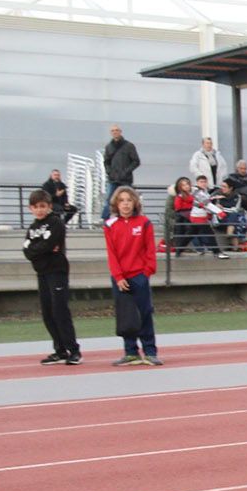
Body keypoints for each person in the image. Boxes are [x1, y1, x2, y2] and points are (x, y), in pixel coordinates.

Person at [22, 189, 81, 365]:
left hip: (57, 272)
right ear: (30, 208)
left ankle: (74, 350)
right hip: (42, 273)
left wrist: (39, 249)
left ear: (48, 206)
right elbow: (27, 250)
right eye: (35, 207)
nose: (39, 210)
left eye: (42, 206)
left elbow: (49, 245)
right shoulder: (32, 228)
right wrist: (40, 249)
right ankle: (60, 350)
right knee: (47, 313)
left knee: (60, 311)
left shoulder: (56, 223)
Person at [104, 187, 161, 366]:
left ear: (135, 202)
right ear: (116, 204)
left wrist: (147, 272)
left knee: (144, 314)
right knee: (126, 316)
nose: (125, 204)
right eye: (121, 200)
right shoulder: (110, 225)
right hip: (120, 279)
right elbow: (111, 254)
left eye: (129, 200)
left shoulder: (144, 223)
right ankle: (130, 352)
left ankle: (150, 351)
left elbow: (150, 250)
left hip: (139, 276)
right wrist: (118, 277)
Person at [102, 124, 140, 219]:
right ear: (111, 133)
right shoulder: (108, 147)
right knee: (109, 200)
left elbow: (136, 161)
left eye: (117, 130)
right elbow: (106, 162)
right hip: (113, 179)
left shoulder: (129, 146)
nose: (115, 132)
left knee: (129, 199)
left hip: (125, 179)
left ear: (120, 131)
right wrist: (109, 172)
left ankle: (133, 217)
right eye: (113, 131)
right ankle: (105, 220)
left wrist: (126, 172)